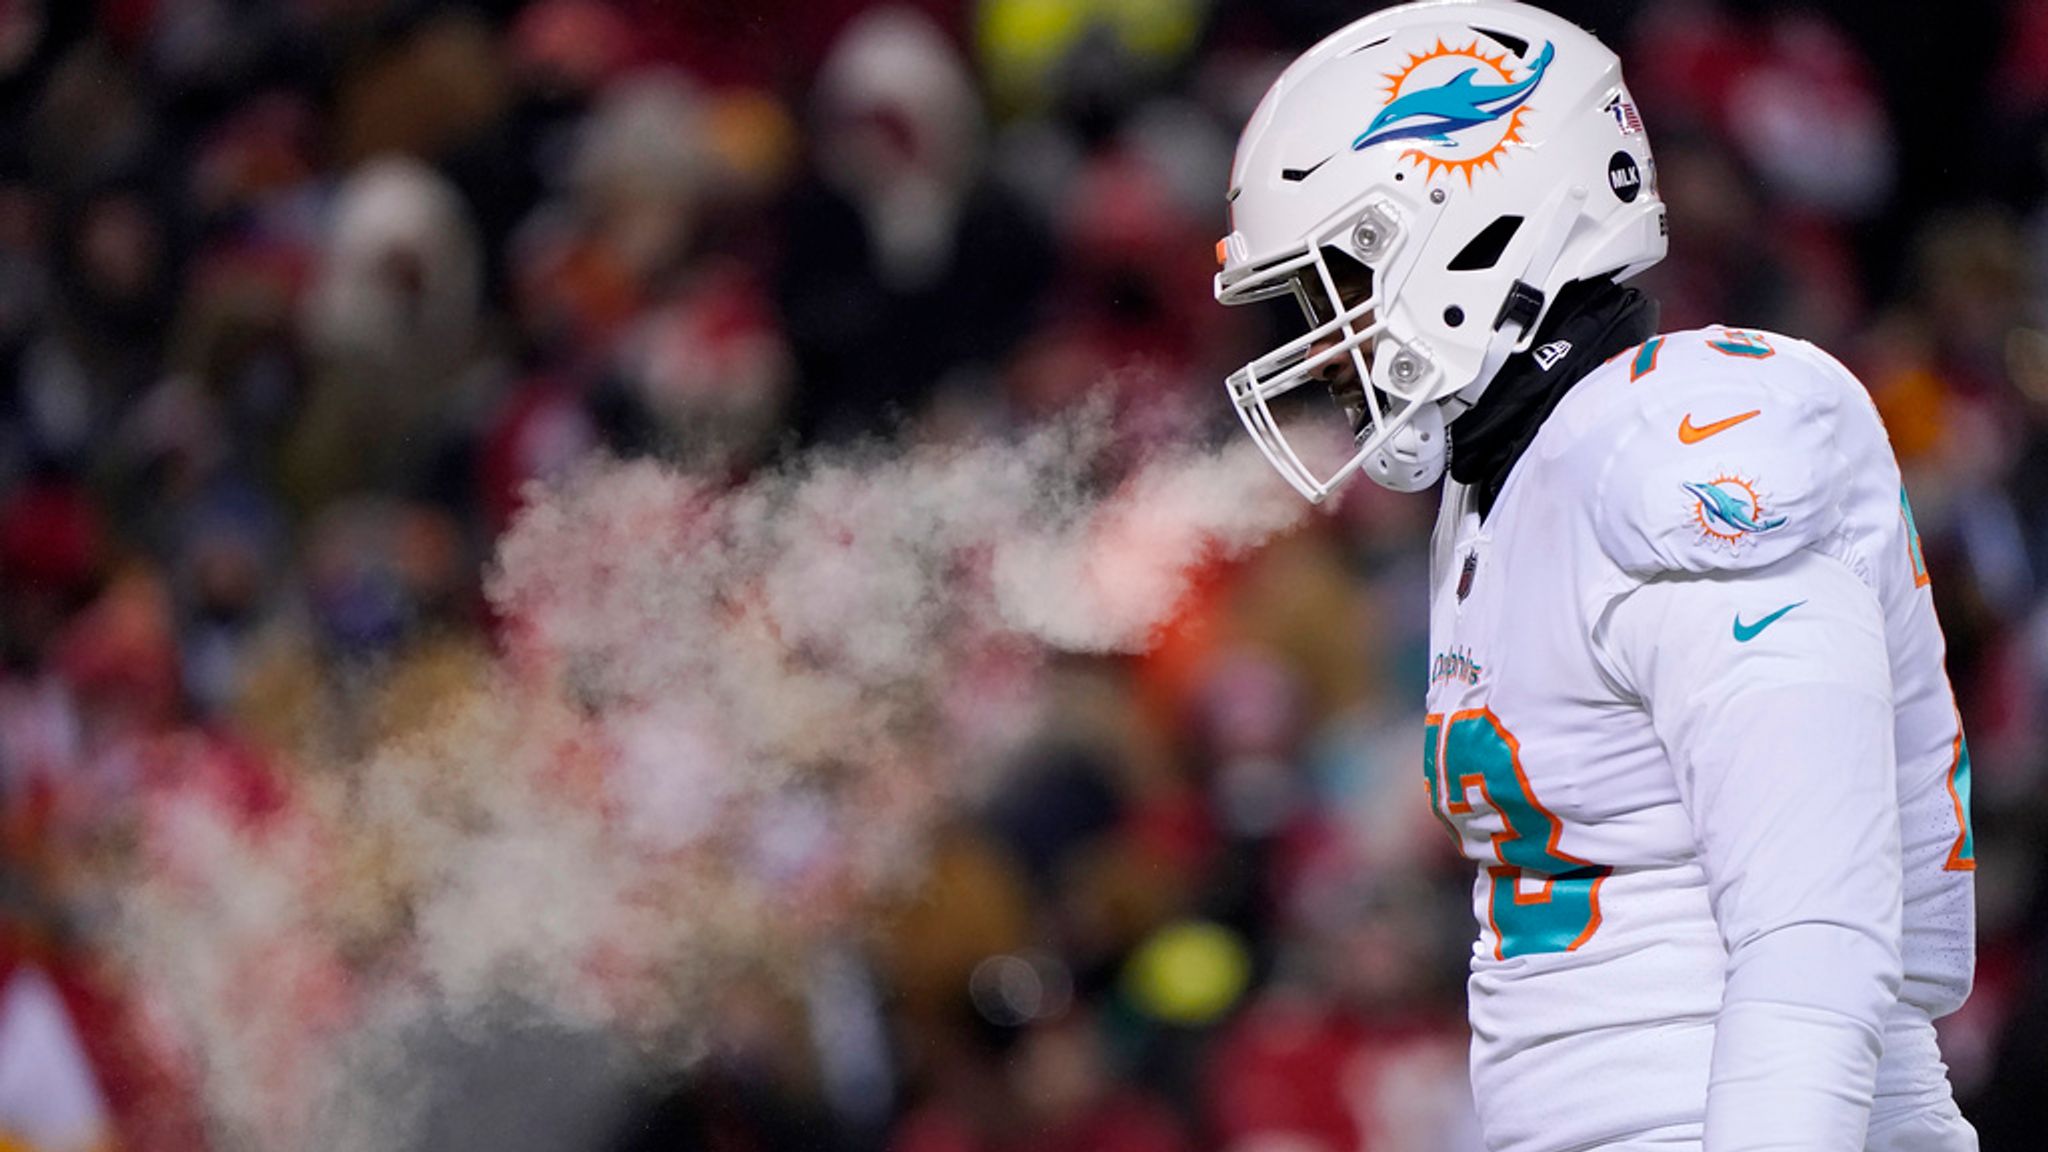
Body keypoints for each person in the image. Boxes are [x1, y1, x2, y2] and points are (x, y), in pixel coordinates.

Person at [1209, 2, 1978, 1151]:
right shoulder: (1511, 476)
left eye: (1342, 285)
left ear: (1462, 230)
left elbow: (1814, 937)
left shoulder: (1678, 443)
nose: (1333, 342)